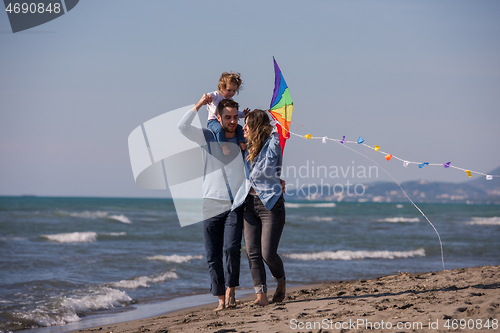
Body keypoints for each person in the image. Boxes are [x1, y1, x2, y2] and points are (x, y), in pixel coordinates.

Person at [177, 94, 245, 311]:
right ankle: (220, 299)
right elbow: (182, 127)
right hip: (211, 202)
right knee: (212, 254)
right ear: (219, 117)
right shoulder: (208, 136)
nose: (232, 121)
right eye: (228, 117)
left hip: (235, 203)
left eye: (235, 117)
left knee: (232, 248)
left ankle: (231, 289)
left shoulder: (243, 139)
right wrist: (199, 104)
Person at [232, 109, 287, 306]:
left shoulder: (272, 144)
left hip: (271, 204)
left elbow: (278, 136)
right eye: (244, 124)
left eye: (248, 124)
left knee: (268, 254)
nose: (244, 128)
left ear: (257, 127)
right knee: (252, 252)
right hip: (249, 204)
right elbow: (233, 130)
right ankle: (261, 297)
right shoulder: (245, 146)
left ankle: (280, 282)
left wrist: (273, 124)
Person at [206, 72, 249, 156]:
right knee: (219, 129)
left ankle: (241, 142)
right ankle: (223, 146)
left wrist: (243, 114)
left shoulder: (231, 101)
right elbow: (209, 95)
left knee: (240, 128)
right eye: (229, 90)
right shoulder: (216, 95)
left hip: (226, 121)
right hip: (213, 121)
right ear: (221, 87)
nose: (231, 93)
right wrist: (208, 98)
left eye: (234, 91)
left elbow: (234, 114)